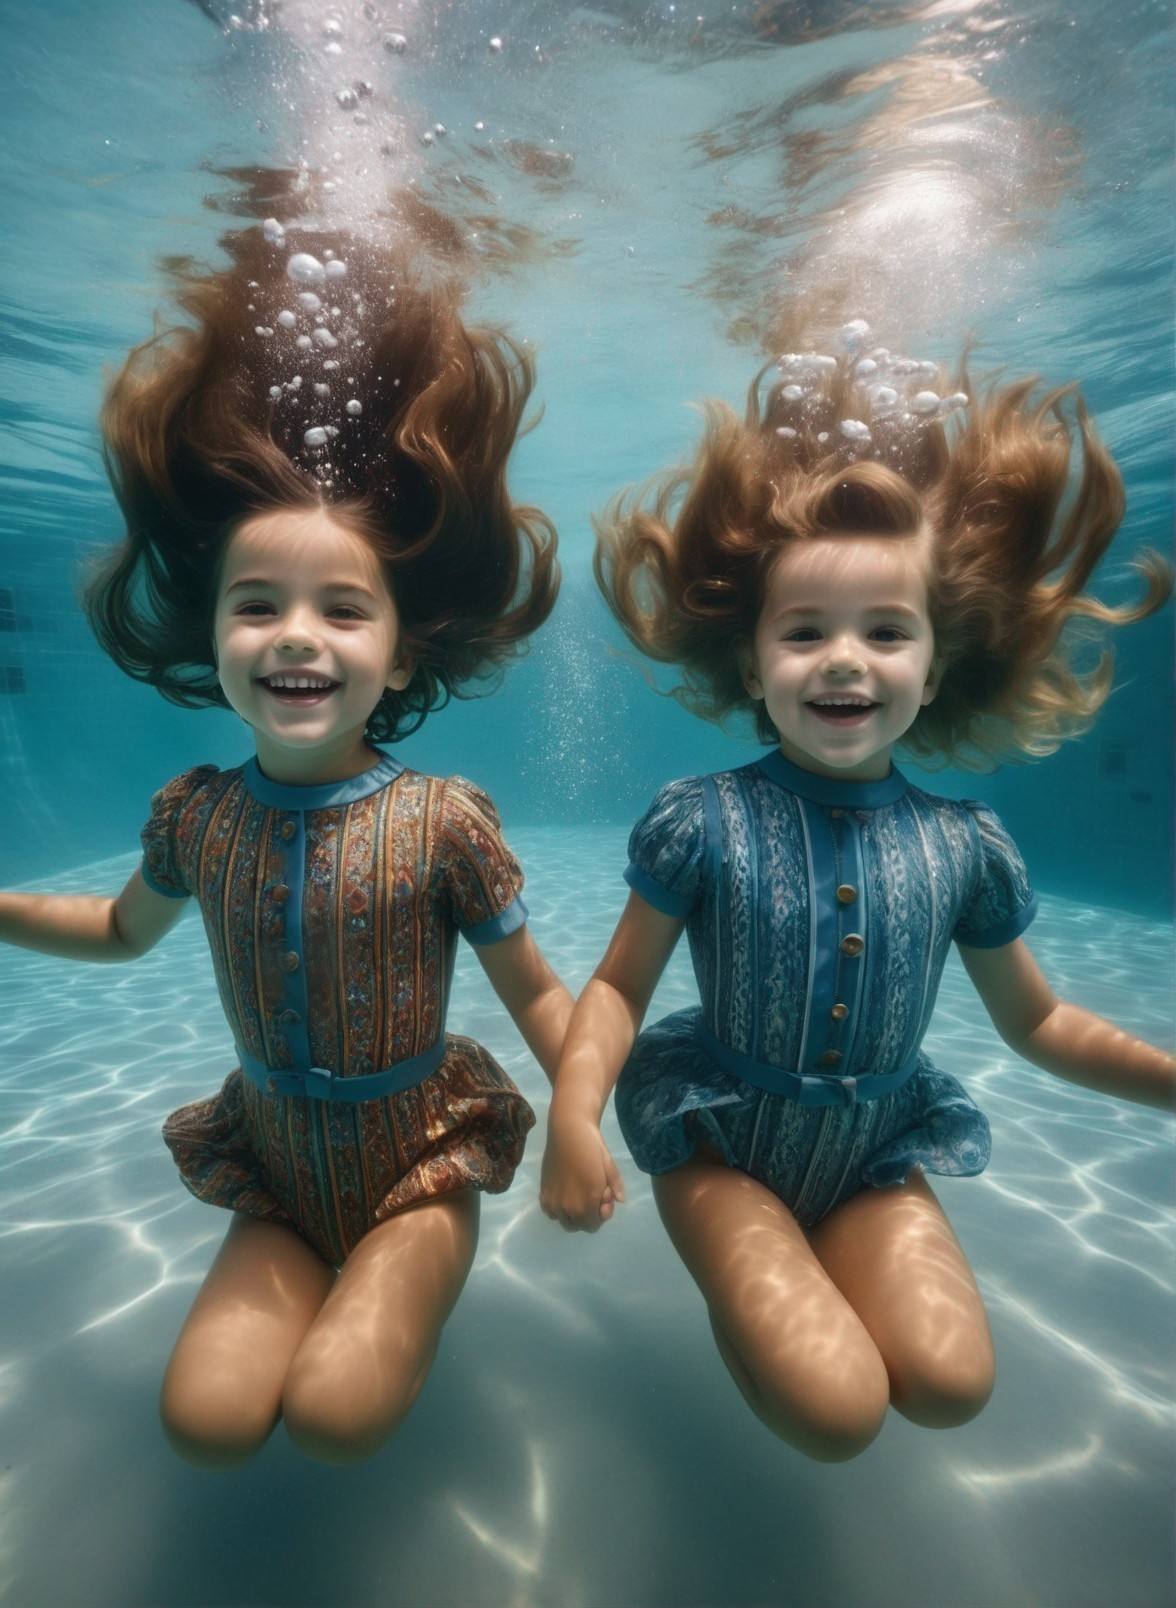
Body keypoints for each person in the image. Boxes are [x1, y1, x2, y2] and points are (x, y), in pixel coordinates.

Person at [539, 331, 1175, 1462]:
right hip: (724, 1139)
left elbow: (1040, 1022)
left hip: (876, 1149)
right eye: (805, 632)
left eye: (886, 632)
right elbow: (620, 989)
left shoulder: (966, 846)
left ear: (935, 668)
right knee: (835, 1413)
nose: (844, 659)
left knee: (950, 1387)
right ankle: (753, 1295)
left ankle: (805, 1282)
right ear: (752, 664)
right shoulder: (702, 819)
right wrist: (575, 1115)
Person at [0, 222, 572, 1468]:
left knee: (334, 1416)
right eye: (256, 606)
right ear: (210, 637)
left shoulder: (442, 821)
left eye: (342, 609)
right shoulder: (198, 817)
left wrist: (581, 1119)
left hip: (419, 1163)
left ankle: (408, 1271)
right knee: (205, 1426)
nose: (296, 636)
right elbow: (116, 931)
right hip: (273, 1160)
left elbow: (536, 995)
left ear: (402, 652)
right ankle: (315, 1273)